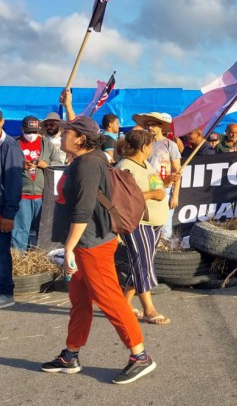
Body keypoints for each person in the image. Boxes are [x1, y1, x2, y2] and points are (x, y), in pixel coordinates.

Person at [42, 116, 156, 384]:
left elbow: (84, 208)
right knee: (80, 299)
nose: (61, 134)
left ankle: (140, 355)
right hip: (87, 242)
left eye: (66, 131)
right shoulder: (85, 160)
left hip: (92, 243)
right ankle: (71, 354)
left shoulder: (89, 164)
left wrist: (68, 248)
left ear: (80, 138)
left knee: (109, 299)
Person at [116, 130, 171, 325]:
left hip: (154, 221)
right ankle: (149, 309)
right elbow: (123, 197)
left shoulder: (145, 164)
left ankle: (123, 304)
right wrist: (153, 195)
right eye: (150, 145)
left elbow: (148, 186)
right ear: (143, 147)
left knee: (140, 262)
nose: (151, 148)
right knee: (142, 262)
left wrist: (166, 182)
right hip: (138, 222)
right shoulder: (125, 167)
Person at [133, 112, 181, 246]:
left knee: (165, 224)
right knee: (146, 222)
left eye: (153, 124)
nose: (150, 128)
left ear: (161, 126)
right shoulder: (143, 145)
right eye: (147, 125)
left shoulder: (170, 145)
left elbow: (177, 171)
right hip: (146, 189)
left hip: (165, 189)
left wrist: (175, 195)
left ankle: (164, 254)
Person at [12, 116, 53, 251]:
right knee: (20, 231)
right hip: (22, 195)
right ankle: (19, 261)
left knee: (41, 232)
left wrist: (47, 164)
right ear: (22, 129)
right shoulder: (14, 144)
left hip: (42, 195)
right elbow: (6, 164)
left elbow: (58, 163)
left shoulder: (46, 144)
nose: (31, 135)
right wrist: (20, 165)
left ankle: (39, 260)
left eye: (34, 132)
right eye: (28, 132)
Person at [0, 108, 24, 309]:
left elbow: (14, 182)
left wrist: (8, 213)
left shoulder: (10, 147)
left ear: (1, 122)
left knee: (1, 251)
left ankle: (6, 292)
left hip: (2, 209)